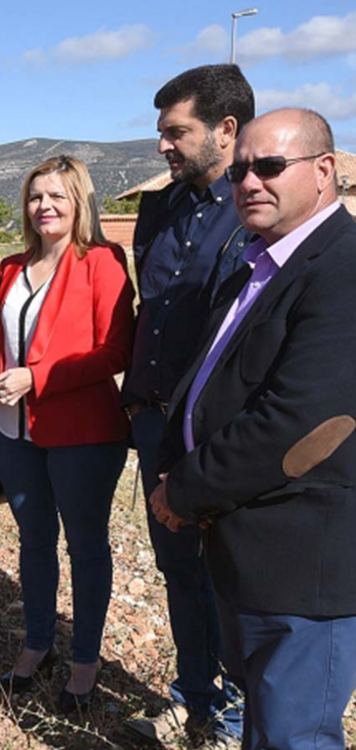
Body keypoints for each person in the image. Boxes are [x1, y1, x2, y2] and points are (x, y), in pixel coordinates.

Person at [151, 108, 356, 750]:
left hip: (301, 562)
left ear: (324, 171)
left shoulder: (341, 271)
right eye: (240, 170)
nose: (249, 183)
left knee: (294, 735)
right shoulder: (263, 264)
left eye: (269, 167)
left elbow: (297, 424)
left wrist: (183, 491)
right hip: (243, 545)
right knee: (265, 729)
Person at [121, 64, 253, 748]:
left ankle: (234, 715)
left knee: (227, 574)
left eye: (177, 132)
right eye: (161, 133)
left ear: (226, 130)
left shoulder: (259, 209)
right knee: (176, 568)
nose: (164, 146)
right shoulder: (160, 207)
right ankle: (192, 695)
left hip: (218, 430)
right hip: (154, 421)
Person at [0, 156, 134, 712]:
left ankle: (84, 660)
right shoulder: (11, 267)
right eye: (36, 196)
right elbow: (3, 345)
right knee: (34, 541)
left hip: (83, 433)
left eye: (57, 197)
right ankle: (38, 641)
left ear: (79, 203)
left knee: (86, 546)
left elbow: (116, 352)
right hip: (13, 432)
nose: (44, 206)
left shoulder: (102, 262)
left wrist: (37, 379)